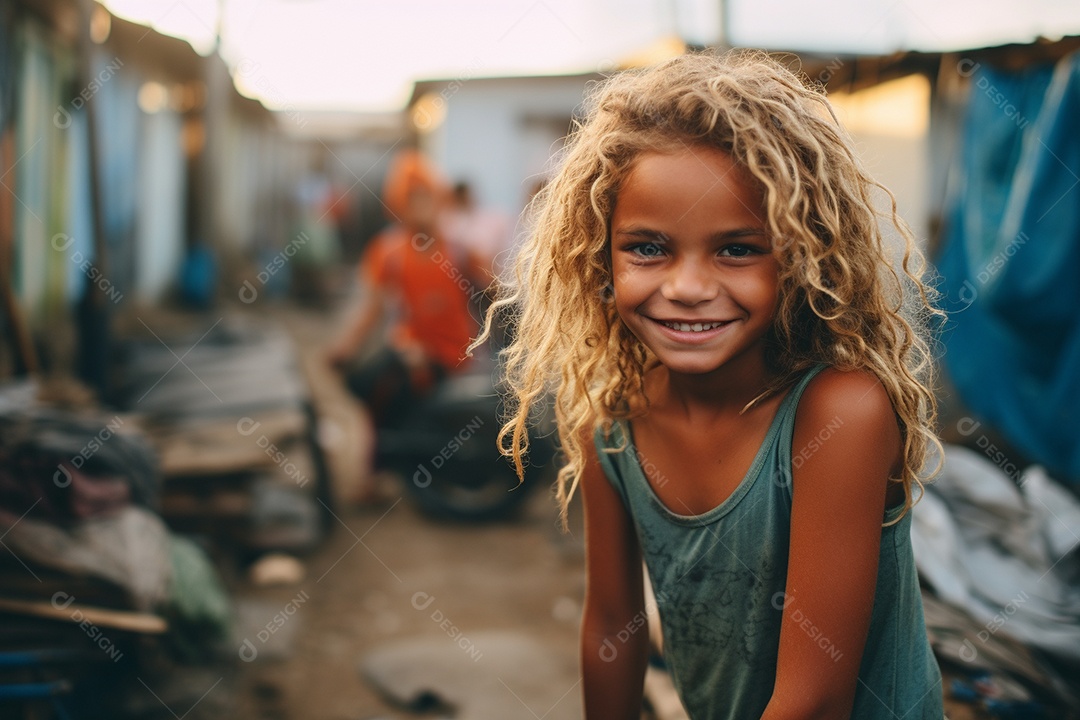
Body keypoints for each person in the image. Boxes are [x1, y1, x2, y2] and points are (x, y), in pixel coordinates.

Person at [478, 50, 945, 719]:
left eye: (736, 249)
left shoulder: (839, 415)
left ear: (799, 254)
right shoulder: (611, 420)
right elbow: (613, 625)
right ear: (599, 254)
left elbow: (813, 701)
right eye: (648, 248)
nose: (688, 288)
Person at [326, 150, 483, 500]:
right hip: (409, 350)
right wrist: (346, 347)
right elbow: (372, 309)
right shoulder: (388, 251)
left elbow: (495, 295)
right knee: (371, 390)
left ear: (439, 199)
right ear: (398, 203)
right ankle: (379, 472)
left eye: (426, 196)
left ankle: (389, 472)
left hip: (452, 353)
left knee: (385, 390)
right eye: (412, 199)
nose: (420, 206)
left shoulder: (459, 250)